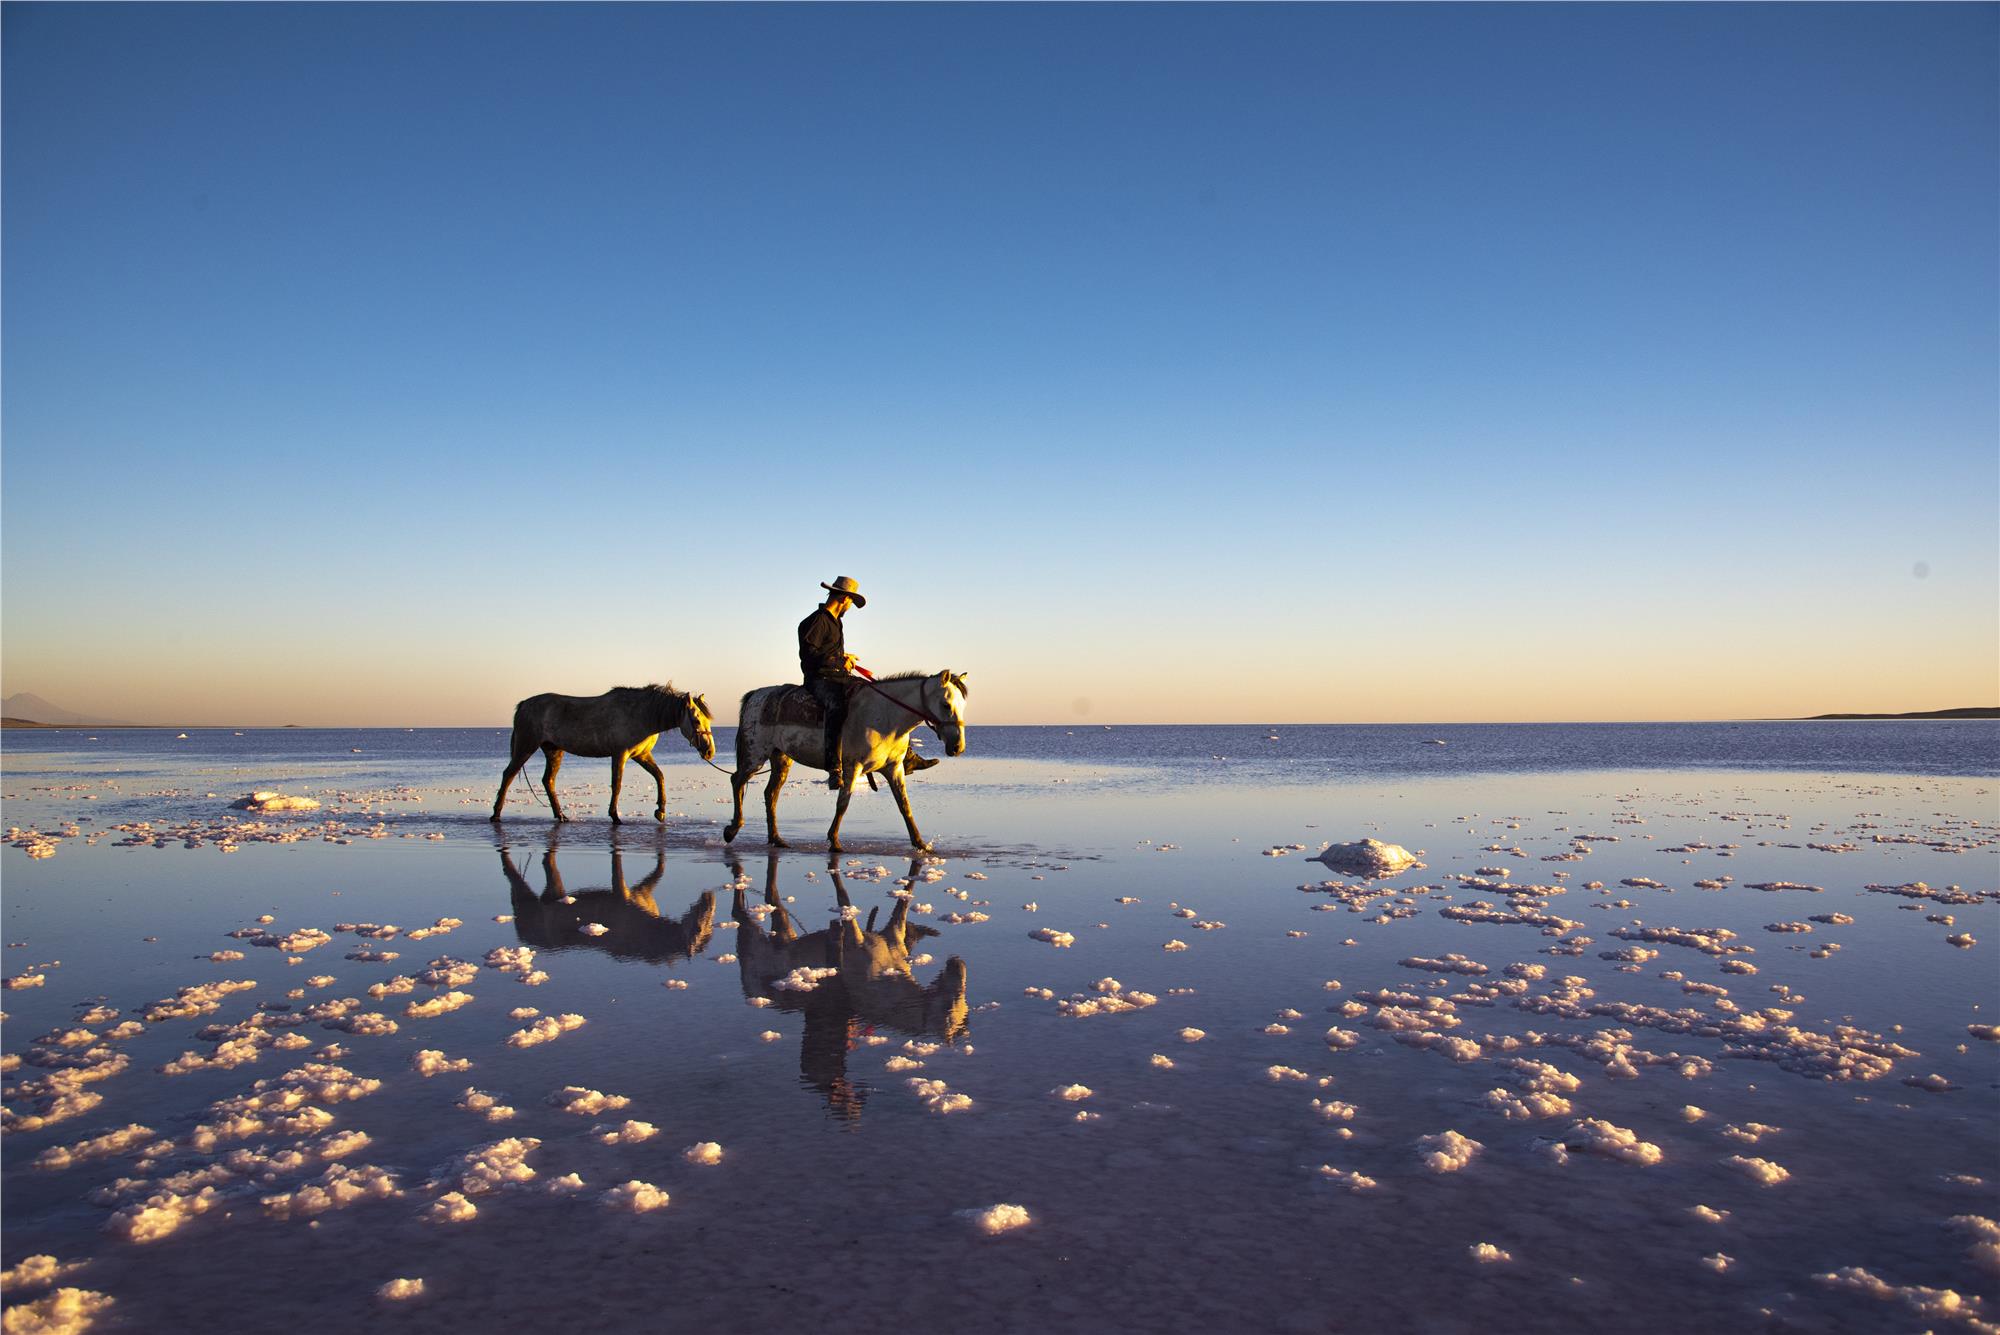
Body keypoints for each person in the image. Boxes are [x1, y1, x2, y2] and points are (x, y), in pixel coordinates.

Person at [799, 576, 864, 789]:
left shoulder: (836, 622)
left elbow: (829, 652)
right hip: (819, 679)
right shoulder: (818, 620)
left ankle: (906, 756)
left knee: (871, 693)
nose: (850, 608)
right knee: (837, 706)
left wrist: (844, 657)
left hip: (837, 676)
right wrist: (838, 659)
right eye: (851, 603)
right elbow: (809, 655)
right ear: (844, 598)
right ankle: (834, 768)